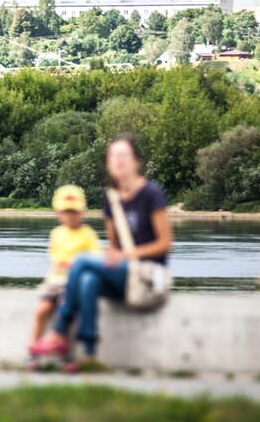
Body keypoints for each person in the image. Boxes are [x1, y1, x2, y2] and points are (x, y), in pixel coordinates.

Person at [30, 135, 172, 368]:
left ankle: (58, 330)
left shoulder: (151, 194)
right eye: (113, 156)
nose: (118, 160)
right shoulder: (111, 198)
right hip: (122, 273)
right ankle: (88, 353)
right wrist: (114, 255)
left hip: (146, 272)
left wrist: (126, 255)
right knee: (87, 280)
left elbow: (164, 244)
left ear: (136, 161)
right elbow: (114, 247)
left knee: (82, 262)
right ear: (108, 163)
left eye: (123, 155)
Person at [29, 185, 100, 347]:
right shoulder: (56, 233)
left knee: (64, 311)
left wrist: (73, 264)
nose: (70, 216)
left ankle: (64, 352)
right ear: (58, 213)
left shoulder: (88, 234)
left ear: (82, 212)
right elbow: (54, 255)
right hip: (55, 280)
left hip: (72, 283)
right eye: (66, 212)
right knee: (41, 310)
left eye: (74, 212)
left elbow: (95, 258)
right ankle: (34, 347)